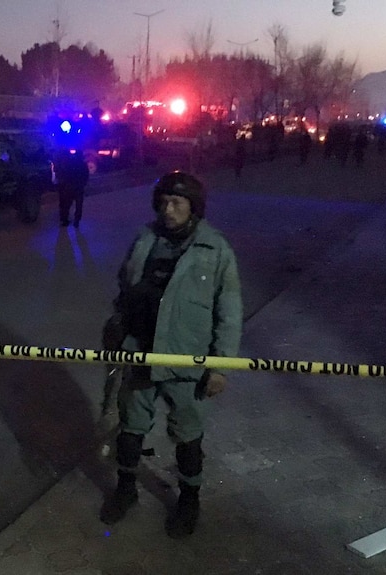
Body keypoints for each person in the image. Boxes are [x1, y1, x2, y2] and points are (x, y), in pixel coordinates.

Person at [100, 172, 243, 538]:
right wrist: (119, 325)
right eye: (163, 201)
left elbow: (229, 311)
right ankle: (126, 489)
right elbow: (124, 284)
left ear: (194, 207)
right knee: (130, 429)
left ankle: (189, 500)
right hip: (140, 354)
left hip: (186, 362)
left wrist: (220, 365)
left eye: (177, 202)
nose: (169, 209)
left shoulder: (215, 250)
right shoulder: (145, 239)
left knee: (188, 436)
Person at [56, 149, 90, 227]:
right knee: (78, 204)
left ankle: (64, 220)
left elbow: (62, 173)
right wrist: (83, 183)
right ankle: (76, 220)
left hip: (69, 186)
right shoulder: (82, 163)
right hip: (78, 186)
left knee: (67, 204)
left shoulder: (66, 163)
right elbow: (86, 175)